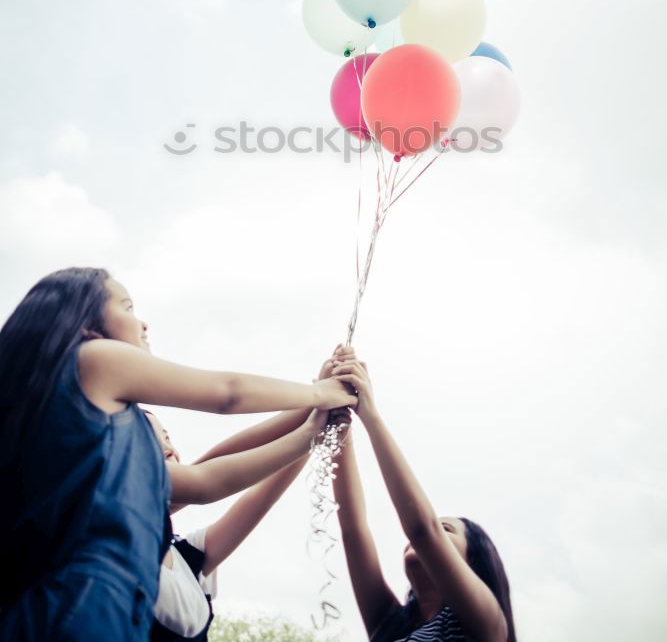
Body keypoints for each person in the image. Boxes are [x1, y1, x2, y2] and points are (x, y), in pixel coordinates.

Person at [0, 267, 355, 640]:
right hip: (83, 611)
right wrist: (320, 395)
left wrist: (313, 428)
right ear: (87, 325)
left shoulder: (99, 461)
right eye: (128, 306)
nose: (144, 322)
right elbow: (227, 392)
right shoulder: (95, 358)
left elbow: (206, 480)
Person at [328, 346, 516, 642]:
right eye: (438, 527)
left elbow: (422, 530)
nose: (433, 534)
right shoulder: (389, 623)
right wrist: (338, 418)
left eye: (446, 530)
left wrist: (370, 413)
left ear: (474, 562)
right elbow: (353, 530)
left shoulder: (487, 622)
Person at [146, 393, 337, 641]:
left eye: (167, 436)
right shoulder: (103, 531)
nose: (168, 448)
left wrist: (321, 409)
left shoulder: (188, 554)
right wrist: (311, 428)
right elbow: (207, 474)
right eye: (149, 438)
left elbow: (259, 497)